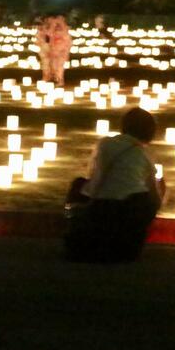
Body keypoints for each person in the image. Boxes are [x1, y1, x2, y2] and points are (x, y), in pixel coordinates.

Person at [64, 107, 165, 262]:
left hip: (99, 207)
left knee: (79, 182)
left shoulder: (104, 143)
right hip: (128, 211)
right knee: (152, 192)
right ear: (150, 132)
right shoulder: (145, 154)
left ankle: (77, 229)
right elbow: (154, 196)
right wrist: (161, 196)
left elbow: (92, 177)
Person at [47, 15, 72, 87]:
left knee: (60, 67)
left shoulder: (65, 31)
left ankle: (60, 80)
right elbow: (49, 35)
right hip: (54, 51)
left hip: (62, 52)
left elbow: (68, 42)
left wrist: (65, 51)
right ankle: (56, 79)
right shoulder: (53, 31)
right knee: (54, 67)